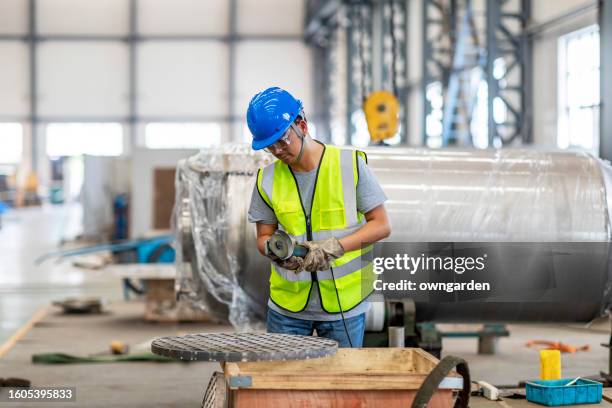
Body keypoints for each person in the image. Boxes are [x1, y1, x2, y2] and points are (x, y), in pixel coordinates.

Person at [247, 86, 391, 347]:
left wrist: (334, 248)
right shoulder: (266, 179)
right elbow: (263, 237)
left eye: (282, 140)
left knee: (341, 386)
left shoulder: (350, 165)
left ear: (301, 125)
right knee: (283, 386)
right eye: (270, 147)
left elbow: (381, 225)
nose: (278, 151)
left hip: (344, 306)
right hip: (287, 308)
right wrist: (276, 252)